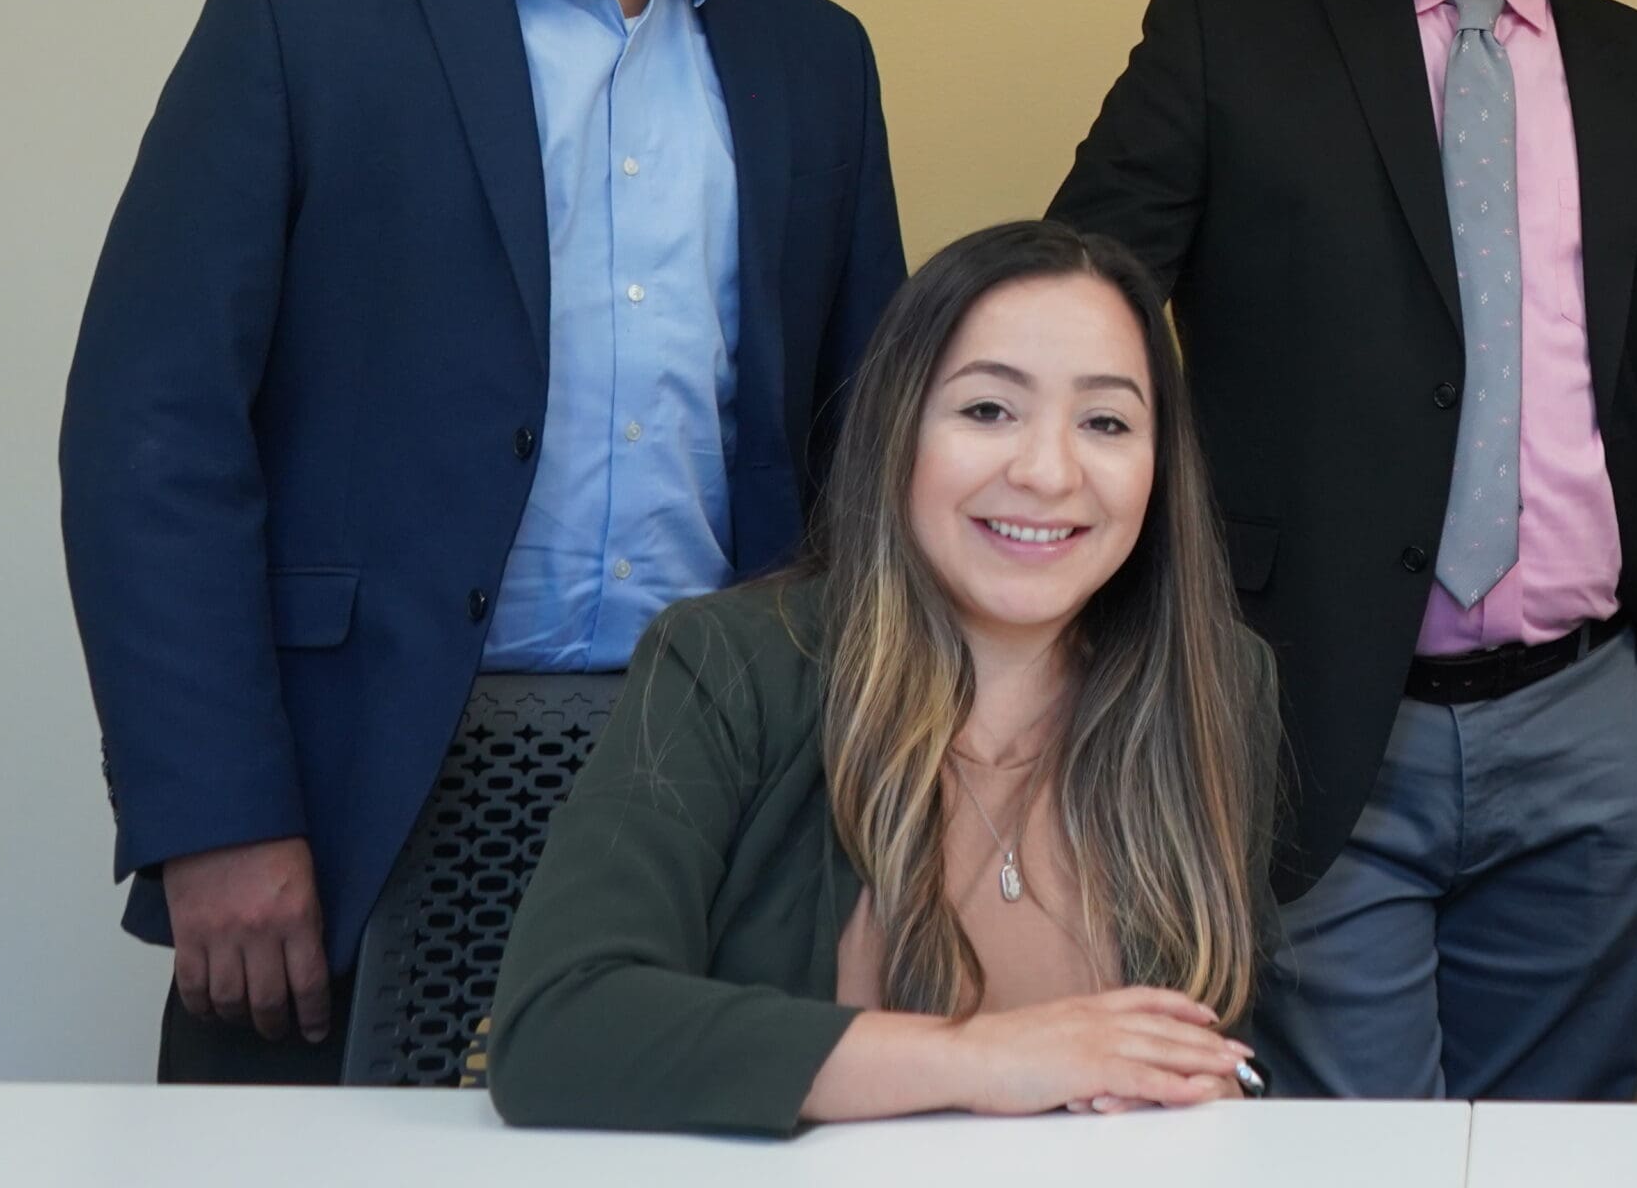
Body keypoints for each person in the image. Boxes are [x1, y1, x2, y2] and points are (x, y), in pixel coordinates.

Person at [58, 0, 909, 1082]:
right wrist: (213, 808)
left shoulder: (812, 57)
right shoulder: (304, 10)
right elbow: (153, 430)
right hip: (347, 778)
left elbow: (864, 453)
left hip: (713, 775)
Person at [1051, 0, 1637, 1101]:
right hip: (1300, 711)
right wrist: (1162, 645)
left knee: (1556, 1145)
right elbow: (1076, 323)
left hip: (1596, 727)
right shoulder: (1227, 26)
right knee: (1335, 1152)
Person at [486, 220, 1279, 1132]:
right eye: (988, 410)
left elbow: (1223, 1050)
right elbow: (560, 1027)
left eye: (1105, 421)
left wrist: (1214, 1087)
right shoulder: (730, 665)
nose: (1048, 472)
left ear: (1157, 467)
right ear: (900, 430)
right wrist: (992, 1056)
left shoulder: (1217, 686)